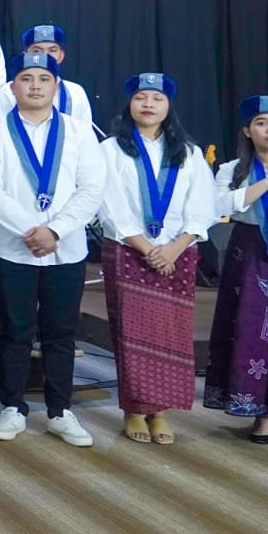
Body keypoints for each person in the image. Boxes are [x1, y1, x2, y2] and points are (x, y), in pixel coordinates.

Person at [0, 52, 106, 447]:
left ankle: (60, 411)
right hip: (14, 249)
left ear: (56, 86)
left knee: (61, 333)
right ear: (12, 86)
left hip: (66, 249)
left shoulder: (78, 131)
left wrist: (56, 231)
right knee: (15, 330)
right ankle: (12, 407)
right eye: (27, 78)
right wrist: (31, 230)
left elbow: (92, 189)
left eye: (44, 78)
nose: (35, 85)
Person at [98, 73, 215, 444]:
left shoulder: (189, 152)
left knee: (169, 335)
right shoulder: (110, 150)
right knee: (131, 334)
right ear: (129, 104)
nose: (148, 104)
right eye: (141, 98)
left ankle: (160, 412)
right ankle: (134, 409)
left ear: (169, 107)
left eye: (157, 99)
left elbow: (203, 206)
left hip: (178, 254)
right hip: (128, 250)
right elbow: (108, 205)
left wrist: (175, 248)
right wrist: (148, 249)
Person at [205, 94, 268, 443]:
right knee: (251, 329)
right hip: (249, 252)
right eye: (262, 122)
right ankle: (259, 411)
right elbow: (218, 206)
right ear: (247, 130)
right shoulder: (232, 169)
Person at [0, 25, 96, 130]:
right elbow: (4, 130)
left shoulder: (76, 92)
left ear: (61, 56)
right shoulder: (9, 91)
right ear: (25, 55)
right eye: (37, 51)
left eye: (52, 51)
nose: (45, 56)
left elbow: (85, 132)